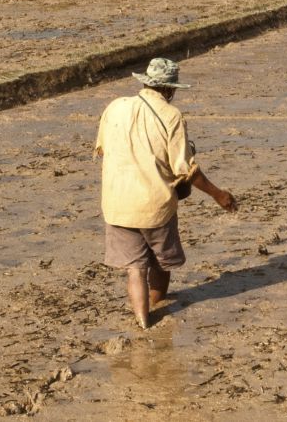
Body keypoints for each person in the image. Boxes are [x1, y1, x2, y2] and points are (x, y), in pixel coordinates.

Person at [95, 57, 236, 329]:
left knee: (135, 268)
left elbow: (103, 149)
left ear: (146, 82)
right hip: (154, 205)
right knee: (161, 264)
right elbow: (185, 169)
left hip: (117, 203)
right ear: (170, 89)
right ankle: (158, 304)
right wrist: (218, 194)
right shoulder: (172, 116)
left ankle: (143, 321)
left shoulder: (115, 107)